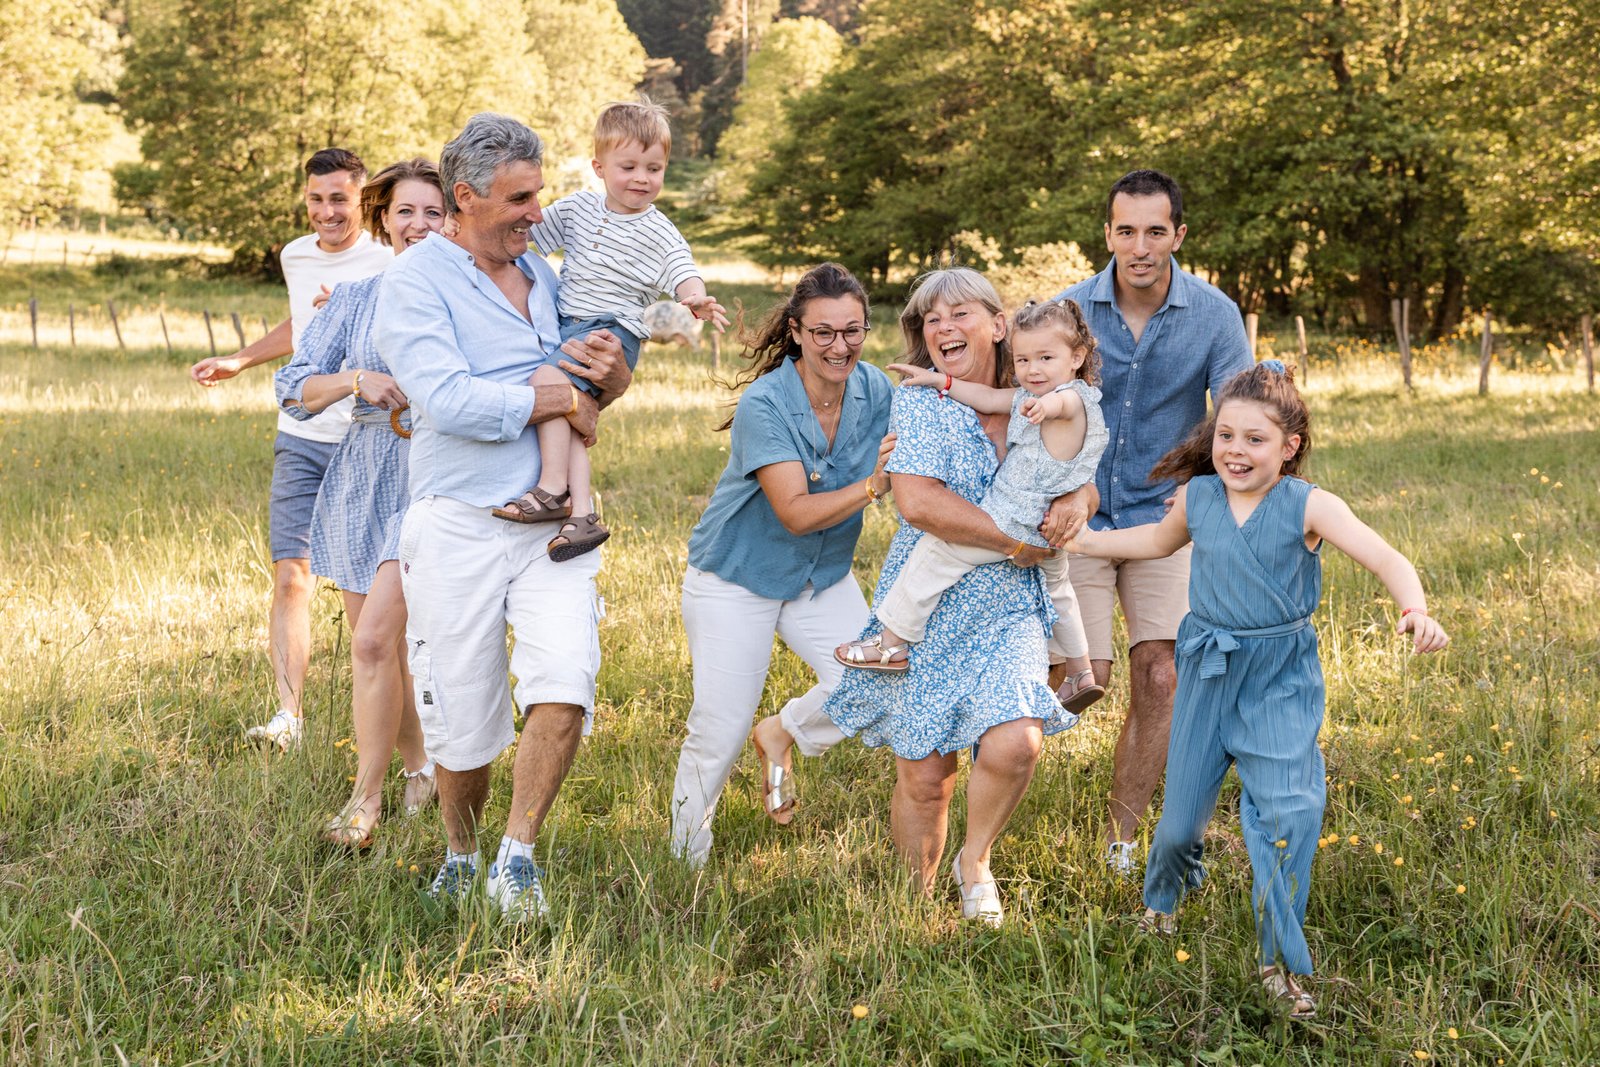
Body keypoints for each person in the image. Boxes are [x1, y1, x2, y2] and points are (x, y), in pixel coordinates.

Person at [1065, 360, 1449, 1020]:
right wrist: (1088, 540)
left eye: (1255, 439)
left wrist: (1414, 608)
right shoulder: (1200, 496)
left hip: (1279, 676)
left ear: (1289, 445)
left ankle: (1278, 960)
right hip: (1209, 666)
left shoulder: (1310, 505)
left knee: (1287, 818)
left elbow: (1388, 557)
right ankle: (1161, 906)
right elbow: (1156, 540)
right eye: (1226, 436)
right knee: (1181, 821)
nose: (1236, 451)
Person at [375, 113, 632, 920]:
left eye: (539, 194)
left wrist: (610, 380)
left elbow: (583, 387)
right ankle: (461, 850)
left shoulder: (546, 278)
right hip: (458, 522)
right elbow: (444, 398)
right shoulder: (414, 281)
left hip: (555, 528)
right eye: (520, 198)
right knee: (462, 716)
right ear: (465, 197)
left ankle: (518, 856)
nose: (535, 212)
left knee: (565, 681)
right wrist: (557, 396)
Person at [821, 267, 1080, 927]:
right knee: (926, 773)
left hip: (1010, 603)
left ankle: (976, 861)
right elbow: (919, 501)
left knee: (1017, 741)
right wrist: (1018, 539)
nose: (941, 328)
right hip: (929, 601)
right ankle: (912, 908)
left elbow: (1079, 468)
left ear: (999, 325)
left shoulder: (1040, 392)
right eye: (929, 319)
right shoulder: (921, 401)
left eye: (958, 312)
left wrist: (1079, 498)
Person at [1051, 169, 1254, 874]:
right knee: (1079, 678)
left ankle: (1121, 841)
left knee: (1160, 673)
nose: (1141, 246)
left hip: (1164, 517)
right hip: (1076, 515)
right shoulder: (1067, 312)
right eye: (1126, 230)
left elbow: (1239, 416)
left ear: (1178, 235)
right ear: (1107, 234)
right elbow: (1020, 405)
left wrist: (1200, 483)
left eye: (1156, 231)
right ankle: (994, 767)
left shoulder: (1215, 315)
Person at [669, 263, 895, 867]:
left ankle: (786, 731)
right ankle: (685, 861)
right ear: (796, 332)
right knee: (718, 729)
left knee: (880, 681)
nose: (839, 346)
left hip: (819, 576)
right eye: (823, 333)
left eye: (852, 331)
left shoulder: (876, 390)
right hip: (735, 579)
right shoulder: (766, 404)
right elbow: (794, 512)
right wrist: (874, 486)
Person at [190, 148, 395, 750]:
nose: (327, 211)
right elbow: (298, 325)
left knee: (373, 595)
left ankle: (399, 731)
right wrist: (241, 359)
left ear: (361, 200)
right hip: (303, 437)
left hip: (366, 440)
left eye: (339, 199)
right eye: (316, 198)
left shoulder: (390, 257)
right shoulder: (296, 255)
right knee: (291, 577)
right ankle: (289, 718)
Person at [273, 158, 448, 847]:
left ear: (454, 219)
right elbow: (294, 385)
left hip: (434, 474)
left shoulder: (473, 296)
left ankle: (363, 802)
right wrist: (356, 378)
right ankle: (418, 767)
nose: (420, 225)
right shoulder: (353, 299)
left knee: (376, 640)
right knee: (380, 646)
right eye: (406, 211)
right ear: (385, 220)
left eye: (434, 212)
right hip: (362, 474)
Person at [836, 297, 1110, 714]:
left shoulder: (1070, 399)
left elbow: (1063, 404)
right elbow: (985, 396)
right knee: (1060, 592)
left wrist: (1043, 405)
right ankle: (1080, 671)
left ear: (1077, 358)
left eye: (1046, 358)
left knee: (934, 554)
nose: (1033, 370)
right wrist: (940, 383)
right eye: (1024, 360)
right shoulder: (1027, 395)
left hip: (1015, 520)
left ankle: (891, 644)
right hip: (1049, 527)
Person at [492, 98, 728, 562]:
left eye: (654, 168)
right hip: (568, 326)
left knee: (546, 386)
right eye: (629, 166)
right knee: (570, 415)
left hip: (610, 332)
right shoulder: (579, 207)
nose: (642, 178)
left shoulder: (658, 230)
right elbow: (530, 234)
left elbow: (682, 268)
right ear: (599, 166)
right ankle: (581, 515)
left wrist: (694, 296)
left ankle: (551, 489)